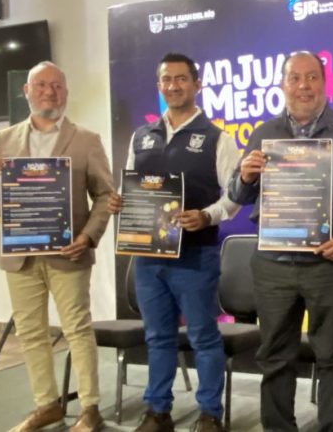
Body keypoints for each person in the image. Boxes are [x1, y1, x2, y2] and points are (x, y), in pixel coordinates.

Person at [228, 51, 333, 432]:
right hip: (273, 266)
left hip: (330, 265)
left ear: (324, 82)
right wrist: (245, 177)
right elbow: (239, 195)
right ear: (282, 85)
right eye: (295, 78)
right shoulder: (264, 133)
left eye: (312, 77)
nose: (303, 86)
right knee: (274, 357)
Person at [0, 61, 112, 432]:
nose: (49, 92)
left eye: (57, 86)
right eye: (41, 85)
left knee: (77, 329)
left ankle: (90, 410)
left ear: (66, 92)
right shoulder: (4, 139)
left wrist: (87, 237)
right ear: (27, 91)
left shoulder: (86, 140)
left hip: (70, 254)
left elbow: (105, 195)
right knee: (31, 333)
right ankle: (46, 405)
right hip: (20, 255)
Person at [108, 53, 241, 432]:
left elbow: (235, 195)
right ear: (159, 86)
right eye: (166, 79)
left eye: (181, 79)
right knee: (158, 337)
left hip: (196, 256)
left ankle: (210, 414)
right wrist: (120, 201)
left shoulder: (217, 138)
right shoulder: (141, 136)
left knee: (203, 337)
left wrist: (207, 216)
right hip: (148, 256)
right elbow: (130, 186)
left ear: (197, 84)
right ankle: (158, 411)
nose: (173, 86)